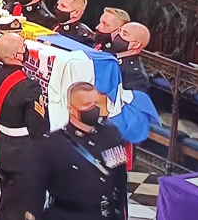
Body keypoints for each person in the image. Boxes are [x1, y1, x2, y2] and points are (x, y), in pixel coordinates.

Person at [30, 82, 127, 220]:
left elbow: (120, 180)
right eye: (87, 104)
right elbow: (35, 192)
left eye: (96, 103)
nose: (93, 108)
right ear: (71, 109)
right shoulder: (53, 144)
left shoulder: (111, 135)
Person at [0, 33, 49, 220]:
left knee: (7, 200)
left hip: (3, 148)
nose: (25, 50)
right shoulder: (29, 86)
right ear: (16, 55)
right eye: (23, 47)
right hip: (24, 153)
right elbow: (38, 125)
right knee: (24, 207)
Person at [108, 22, 151, 93]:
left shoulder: (136, 77)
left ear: (136, 44)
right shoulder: (109, 54)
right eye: (119, 31)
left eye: (124, 34)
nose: (117, 35)